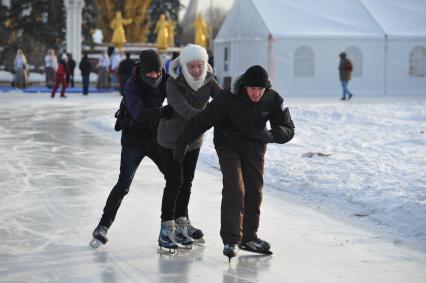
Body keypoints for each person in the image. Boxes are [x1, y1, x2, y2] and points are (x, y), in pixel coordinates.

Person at [174, 65, 295, 260]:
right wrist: (182, 142)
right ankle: (231, 240)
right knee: (235, 187)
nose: (256, 93)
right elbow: (203, 120)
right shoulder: (227, 98)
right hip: (228, 146)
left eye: (260, 89)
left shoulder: (273, 98)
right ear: (245, 86)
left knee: (254, 190)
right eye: (253, 89)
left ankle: (248, 238)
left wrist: (272, 135)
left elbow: (288, 127)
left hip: (255, 148)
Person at [90, 49, 174, 248]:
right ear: (142, 71)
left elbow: (182, 90)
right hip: (133, 139)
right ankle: (103, 226)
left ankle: (177, 223)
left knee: (174, 176)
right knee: (124, 183)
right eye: (150, 73)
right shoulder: (132, 84)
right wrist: (162, 112)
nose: (154, 76)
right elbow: (137, 113)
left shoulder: (166, 79)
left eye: (157, 72)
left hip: (155, 138)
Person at [156, 44, 222, 249]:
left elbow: (223, 101)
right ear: (184, 66)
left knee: (187, 182)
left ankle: (182, 222)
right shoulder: (173, 81)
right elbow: (183, 109)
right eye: (192, 66)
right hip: (171, 139)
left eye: (199, 66)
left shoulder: (209, 80)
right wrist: (209, 117)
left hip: (194, 139)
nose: (196, 70)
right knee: (175, 181)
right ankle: (166, 228)